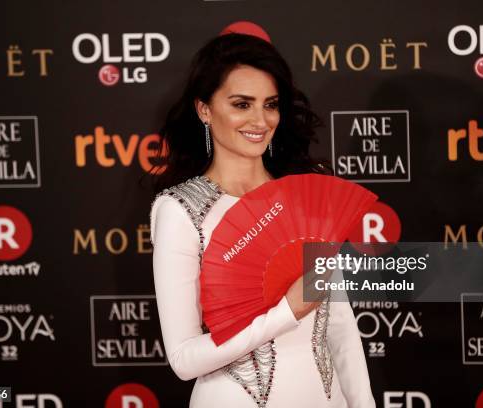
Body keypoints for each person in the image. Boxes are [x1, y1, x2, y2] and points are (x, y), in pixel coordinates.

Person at [149, 33, 375, 408]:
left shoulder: (305, 198)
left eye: (270, 105)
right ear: (204, 109)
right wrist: (286, 312)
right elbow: (184, 359)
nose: (260, 120)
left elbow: (340, 328)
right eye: (242, 104)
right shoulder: (179, 210)